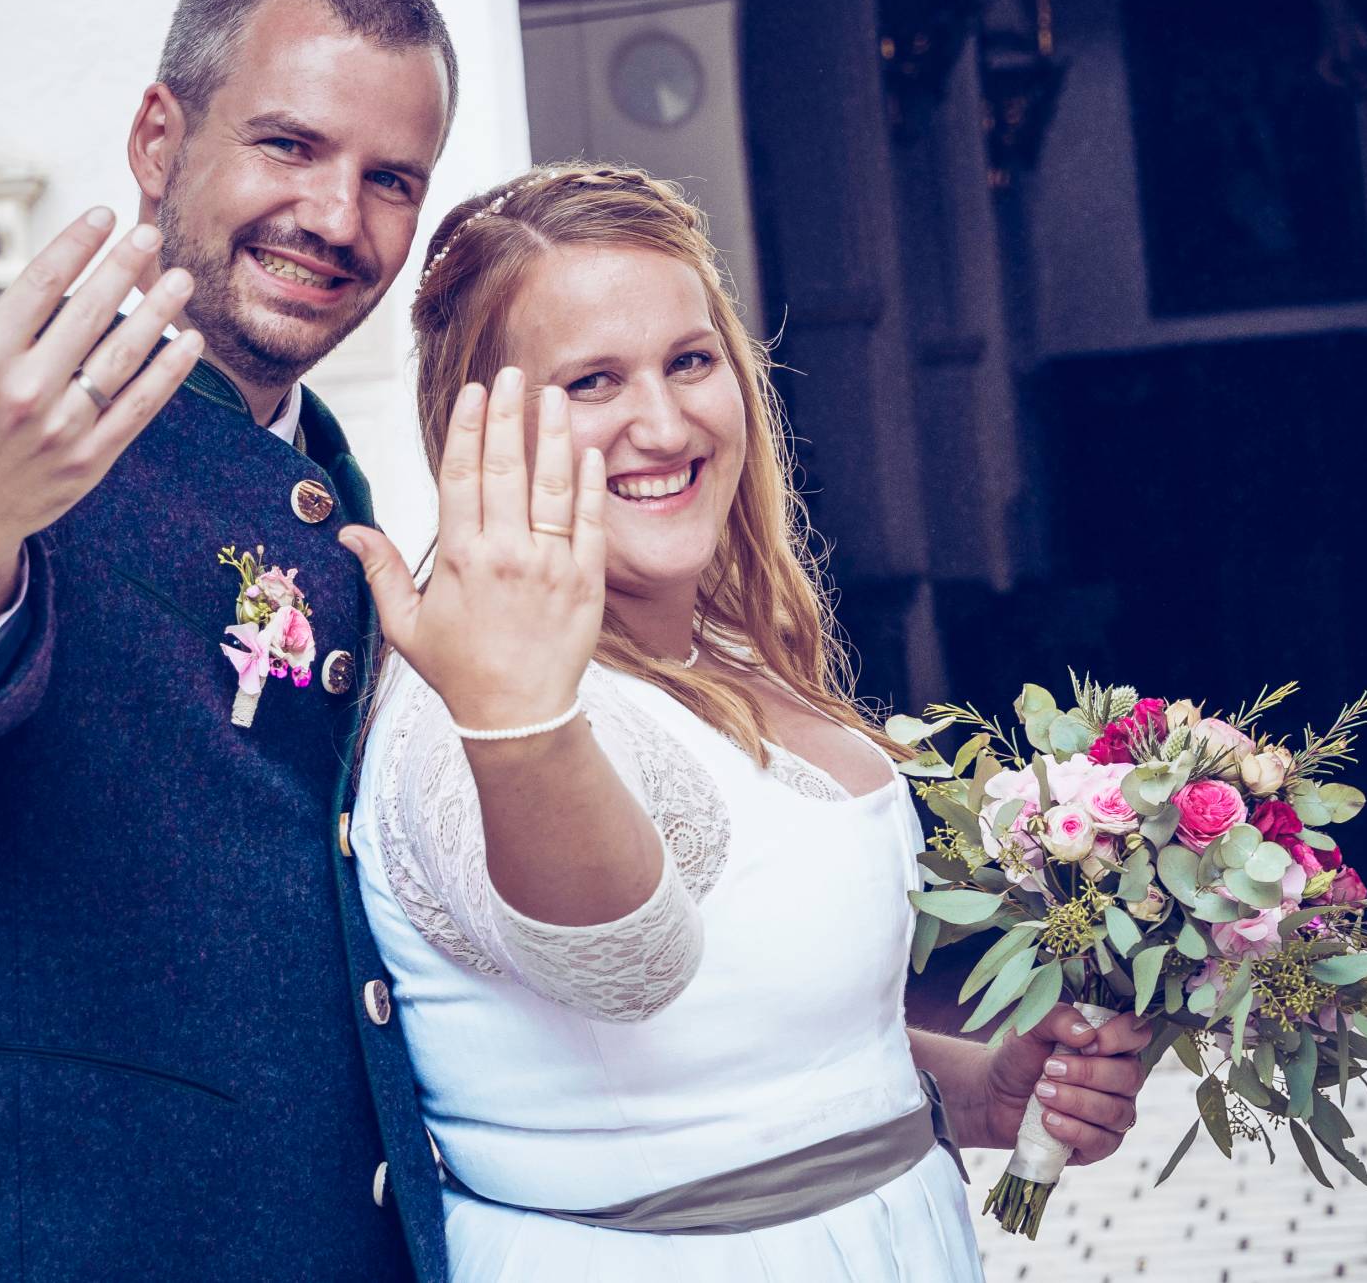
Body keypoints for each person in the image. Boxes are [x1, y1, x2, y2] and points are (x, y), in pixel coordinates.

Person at [340, 164, 1152, 1281]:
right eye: (593, 381)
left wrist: (974, 1091)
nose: (663, 422)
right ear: (479, 426)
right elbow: (623, 965)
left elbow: (746, 1035)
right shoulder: (465, 708)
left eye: (689, 360)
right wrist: (517, 716)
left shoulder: (726, 645)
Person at [0, 0, 454, 1280]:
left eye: (390, 179)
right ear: (161, 138)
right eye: (289, 145)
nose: (339, 218)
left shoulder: (340, 499)